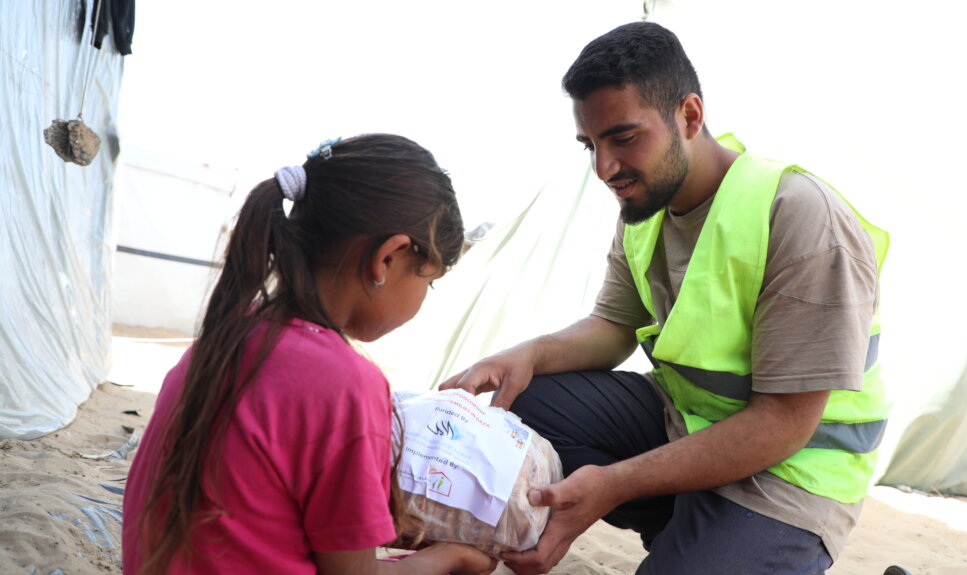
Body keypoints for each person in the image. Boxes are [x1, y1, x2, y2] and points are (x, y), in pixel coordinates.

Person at [441, 21, 889, 575]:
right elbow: (612, 327)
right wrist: (526, 356)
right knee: (527, 401)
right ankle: (693, 534)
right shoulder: (645, 207)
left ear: (690, 116)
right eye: (591, 145)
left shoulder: (799, 217)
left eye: (624, 138)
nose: (604, 168)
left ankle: (732, 547)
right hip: (689, 423)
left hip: (793, 473)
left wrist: (613, 484)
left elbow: (783, 424)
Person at [122, 134, 497, 575]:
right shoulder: (345, 382)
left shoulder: (228, 336)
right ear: (388, 258)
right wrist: (449, 557)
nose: (424, 297)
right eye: (428, 282)